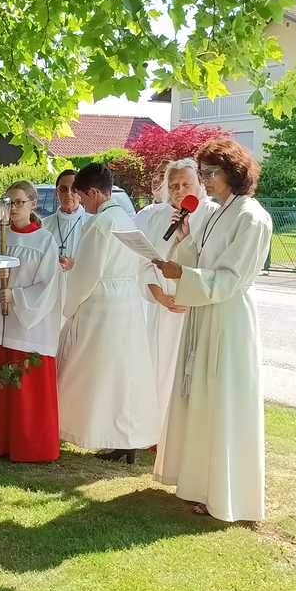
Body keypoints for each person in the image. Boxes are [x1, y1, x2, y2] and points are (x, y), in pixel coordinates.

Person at [152, 138, 272, 522]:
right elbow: (202, 259)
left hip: (227, 315)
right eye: (202, 173)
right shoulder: (220, 212)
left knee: (221, 401)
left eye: (210, 173)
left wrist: (184, 274)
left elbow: (231, 277)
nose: (204, 180)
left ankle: (224, 493)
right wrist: (184, 241)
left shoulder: (251, 217)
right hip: (204, 312)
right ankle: (198, 483)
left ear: (233, 172)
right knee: (200, 397)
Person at [56, 164, 159, 463]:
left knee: (89, 371)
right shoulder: (125, 218)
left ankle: (94, 431)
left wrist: (68, 306)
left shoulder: (100, 223)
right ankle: (125, 438)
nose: (81, 203)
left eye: (81, 196)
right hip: (127, 303)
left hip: (101, 304)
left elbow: (87, 273)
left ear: (93, 193)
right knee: (123, 373)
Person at [0, 180, 62, 463]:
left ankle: (31, 447)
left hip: (29, 325)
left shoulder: (44, 241)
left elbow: (49, 285)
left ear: (33, 204)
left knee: (26, 389)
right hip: (0, 325)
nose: (13, 208)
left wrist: (14, 295)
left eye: (19, 202)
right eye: (8, 203)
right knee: (1, 385)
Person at [134, 158, 214, 423]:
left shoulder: (212, 216)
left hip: (194, 310)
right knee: (158, 372)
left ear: (200, 183)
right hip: (164, 308)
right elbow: (147, 261)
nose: (179, 191)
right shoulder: (160, 217)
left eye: (185, 184)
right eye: (174, 186)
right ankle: (154, 429)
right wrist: (160, 296)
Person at [45, 170, 86, 271]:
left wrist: (75, 266)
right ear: (56, 194)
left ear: (81, 193)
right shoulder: (44, 225)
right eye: (63, 189)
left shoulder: (92, 223)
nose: (68, 193)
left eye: (74, 189)